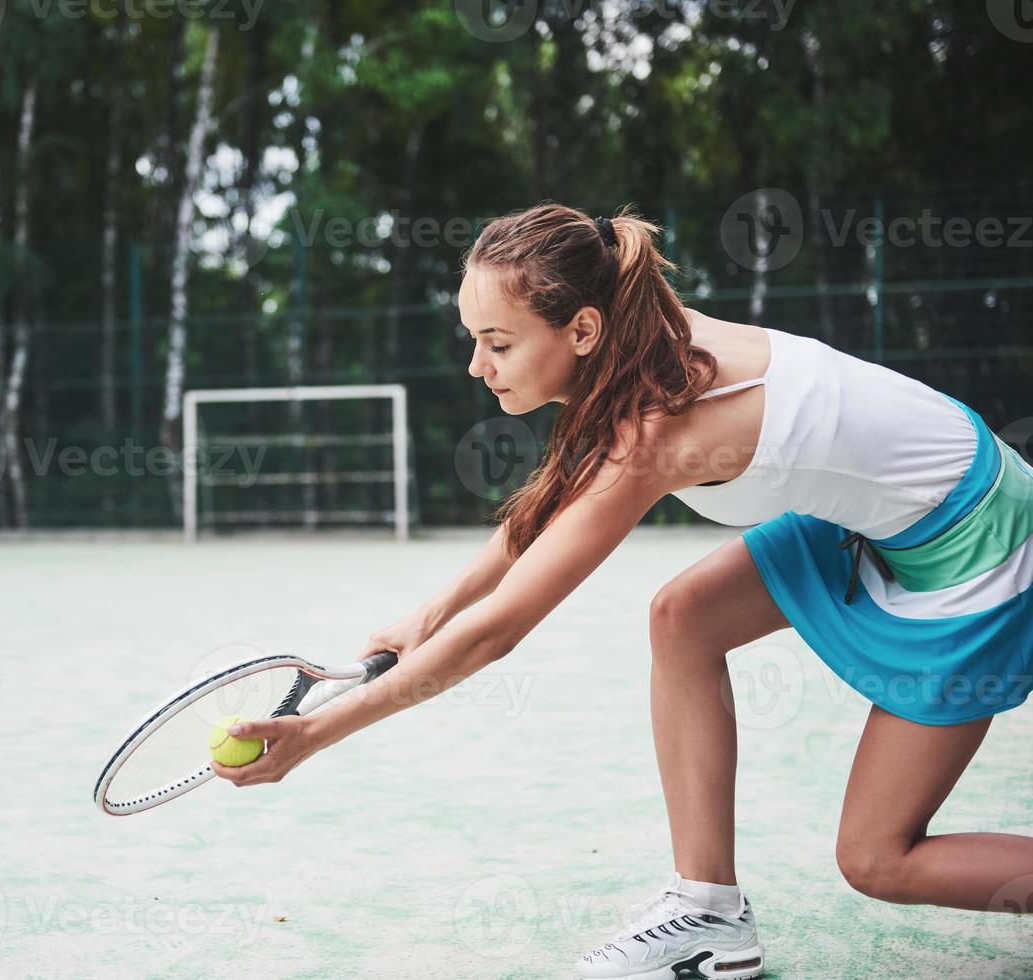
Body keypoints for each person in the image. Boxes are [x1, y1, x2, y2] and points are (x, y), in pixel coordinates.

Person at [210, 202, 1033, 979]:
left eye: (496, 341)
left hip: (976, 542)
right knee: (684, 616)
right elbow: (555, 496)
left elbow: (501, 630)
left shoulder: (658, 434)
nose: (475, 364)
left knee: (878, 861)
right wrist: (428, 612)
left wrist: (316, 734)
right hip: (890, 511)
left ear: (581, 328)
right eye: (472, 338)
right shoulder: (638, 332)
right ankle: (709, 912)